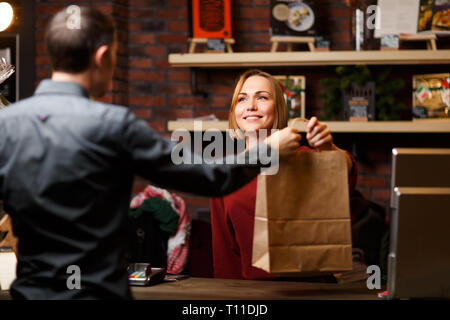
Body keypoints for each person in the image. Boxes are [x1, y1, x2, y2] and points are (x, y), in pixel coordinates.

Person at [0, 8, 301, 299]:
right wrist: (268, 151)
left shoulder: (6, 124)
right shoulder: (114, 125)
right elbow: (211, 178)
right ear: (102, 56)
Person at [210, 69, 358, 280]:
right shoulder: (226, 173)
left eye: (262, 97)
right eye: (242, 99)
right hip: (254, 295)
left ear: (277, 107)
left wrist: (328, 148)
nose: (251, 106)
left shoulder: (303, 158)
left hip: (313, 289)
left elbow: (346, 173)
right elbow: (224, 257)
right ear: (235, 110)